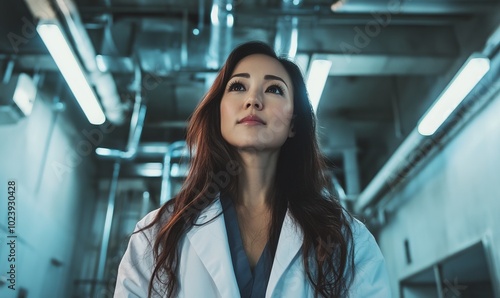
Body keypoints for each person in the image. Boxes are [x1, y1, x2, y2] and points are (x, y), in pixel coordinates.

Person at [114, 41, 391, 298]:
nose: (253, 100)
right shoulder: (158, 235)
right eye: (237, 87)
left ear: (294, 123)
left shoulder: (346, 239)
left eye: (274, 89)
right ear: (218, 113)